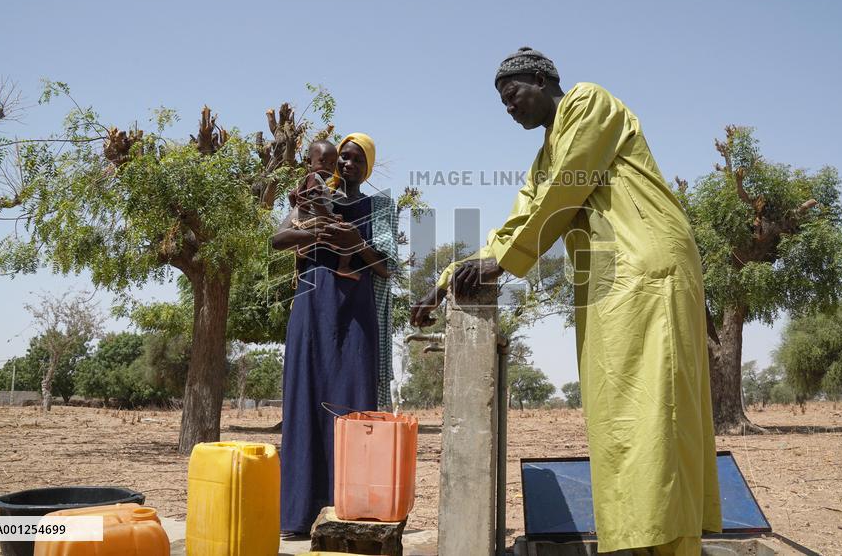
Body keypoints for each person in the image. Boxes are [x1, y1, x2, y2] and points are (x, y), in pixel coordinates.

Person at [410, 47, 721, 555]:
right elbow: (520, 218)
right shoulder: (544, 157)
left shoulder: (587, 102)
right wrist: (446, 279)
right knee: (618, 415)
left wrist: (507, 261)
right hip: (606, 282)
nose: (509, 109)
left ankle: (668, 543)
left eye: (512, 95)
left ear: (540, 79)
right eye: (503, 104)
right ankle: (634, 540)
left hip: (648, 266)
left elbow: (568, 185)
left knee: (655, 411)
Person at [273, 133, 389, 537]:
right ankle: (298, 514)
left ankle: (350, 510)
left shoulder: (379, 207)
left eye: (357, 160)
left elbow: (387, 266)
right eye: (343, 158)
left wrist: (356, 242)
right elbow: (277, 239)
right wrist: (317, 232)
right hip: (310, 305)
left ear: (367, 167)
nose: (347, 165)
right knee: (304, 400)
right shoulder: (311, 196)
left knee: (353, 408)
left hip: (355, 314)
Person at [288, 139, 357, 280]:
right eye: (322, 161)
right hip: (318, 220)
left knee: (304, 251)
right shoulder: (315, 177)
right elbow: (316, 199)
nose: (328, 167)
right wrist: (329, 217)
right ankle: (344, 266)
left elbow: (291, 194)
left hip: (306, 222)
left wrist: (299, 208)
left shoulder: (309, 179)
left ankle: (301, 262)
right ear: (308, 162)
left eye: (332, 163)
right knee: (349, 235)